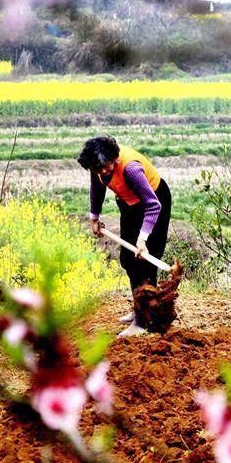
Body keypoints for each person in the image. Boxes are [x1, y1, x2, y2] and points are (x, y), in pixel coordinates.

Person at [77, 136, 172, 337]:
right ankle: (139, 308)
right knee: (128, 259)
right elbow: (97, 188)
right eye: (97, 169)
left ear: (114, 158)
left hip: (154, 204)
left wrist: (142, 238)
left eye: (106, 166)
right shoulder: (99, 167)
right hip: (130, 205)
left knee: (144, 262)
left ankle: (143, 321)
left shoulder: (130, 169)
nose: (102, 171)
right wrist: (94, 217)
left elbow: (153, 205)